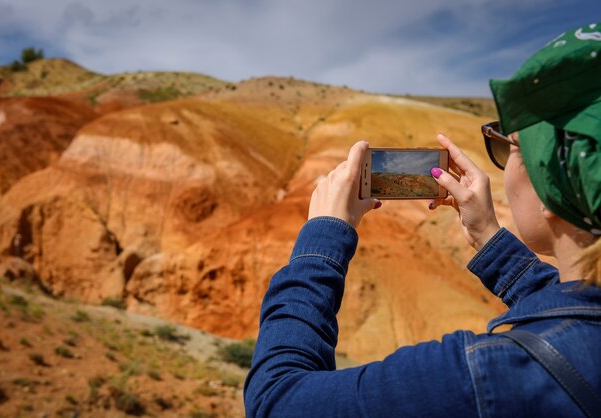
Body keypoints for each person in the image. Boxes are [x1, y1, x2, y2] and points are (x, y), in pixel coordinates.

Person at [244, 22, 601, 417]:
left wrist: (322, 240)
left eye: (512, 148)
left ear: (554, 183)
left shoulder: (490, 377)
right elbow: (577, 314)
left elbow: (275, 400)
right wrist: (488, 236)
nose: (505, 166)